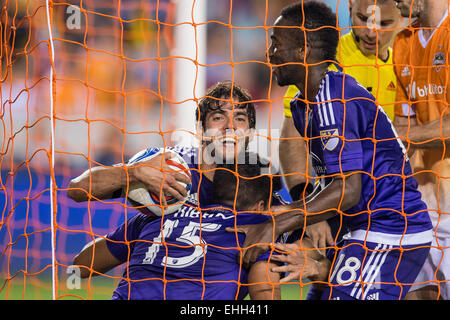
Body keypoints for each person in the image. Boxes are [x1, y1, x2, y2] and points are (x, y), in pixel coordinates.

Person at [229, 1, 433, 300]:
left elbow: (349, 190)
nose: (269, 53)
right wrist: (286, 213)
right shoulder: (303, 105)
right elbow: (333, 180)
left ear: (303, 50)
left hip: (391, 228)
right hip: (356, 228)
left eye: (276, 43)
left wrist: (279, 222)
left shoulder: (333, 99)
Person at [72, 163, 318, 300]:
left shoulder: (156, 215)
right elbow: (265, 295)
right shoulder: (258, 229)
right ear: (261, 206)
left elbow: (80, 267)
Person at [279, 0, 403, 252]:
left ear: (403, 15)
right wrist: (309, 209)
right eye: (362, 19)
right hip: (339, 207)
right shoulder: (326, 59)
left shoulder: (407, 61)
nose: (371, 32)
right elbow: (292, 138)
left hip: (392, 208)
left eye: (384, 23)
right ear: (349, 8)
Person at [67, 80, 286, 212]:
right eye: (219, 118)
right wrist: (134, 173)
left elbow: (302, 238)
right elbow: (77, 189)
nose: (230, 127)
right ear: (200, 130)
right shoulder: (172, 165)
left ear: (250, 133)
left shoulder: (260, 179)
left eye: (239, 119)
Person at [393, 0, 450, 300]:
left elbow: (401, 134)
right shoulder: (403, 42)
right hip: (420, 208)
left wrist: (396, 134)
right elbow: (402, 128)